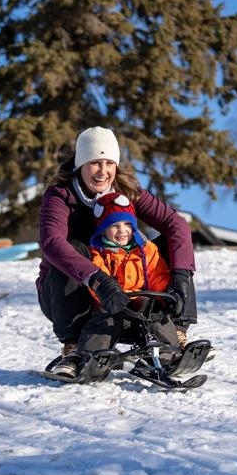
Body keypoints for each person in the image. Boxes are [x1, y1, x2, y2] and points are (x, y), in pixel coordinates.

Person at [36, 126, 198, 375]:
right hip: (69, 296)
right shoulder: (61, 196)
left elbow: (175, 224)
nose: (103, 172)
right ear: (80, 165)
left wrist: (181, 276)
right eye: (95, 163)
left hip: (126, 294)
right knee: (72, 249)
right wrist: (98, 280)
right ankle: (74, 347)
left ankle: (175, 332)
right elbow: (51, 242)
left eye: (109, 163)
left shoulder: (125, 191)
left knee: (172, 246)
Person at [51, 192, 182, 377]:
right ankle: (89, 356)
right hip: (112, 305)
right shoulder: (98, 253)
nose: (122, 231)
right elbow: (98, 279)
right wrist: (109, 295)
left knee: (157, 311)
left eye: (128, 224)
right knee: (106, 320)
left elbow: (157, 276)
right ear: (103, 230)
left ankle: (169, 354)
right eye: (114, 225)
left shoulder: (147, 250)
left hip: (139, 307)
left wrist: (167, 295)